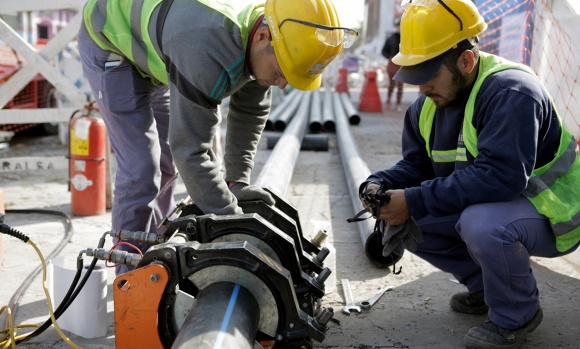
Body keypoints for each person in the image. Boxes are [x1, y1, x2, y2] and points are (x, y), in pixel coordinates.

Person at [358, 0, 580, 348]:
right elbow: (418, 167)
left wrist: (414, 199)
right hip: (507, 205)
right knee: (406, 221)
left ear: (466, 60)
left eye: (429, 75)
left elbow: (503, 178)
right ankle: (487, 288)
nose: (423, 88)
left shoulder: (510, 91)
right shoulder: (427, 107)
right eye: (416, 77)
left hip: (555, 213)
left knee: (482, 223)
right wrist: (380, 183)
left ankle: (516, 316)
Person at [78, 0, 357, 275]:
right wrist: (232, 223)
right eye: (281, 72)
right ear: (263, 37)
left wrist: (236, 182)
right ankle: (130, 276)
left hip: (165, 42)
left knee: (167, 164)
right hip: (111, 39)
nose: (282, 84)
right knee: (141, 167)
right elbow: (190, 149)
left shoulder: (265, 34)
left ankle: (156, 249)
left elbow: (250, 109)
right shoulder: (204, 44)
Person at [380, 17, 404, 112]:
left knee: (400, 86)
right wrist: (389, 57)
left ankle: (398, 104)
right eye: (399, 26)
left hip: (402, 64)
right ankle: (388, 100)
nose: (400, 28)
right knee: (391, 84)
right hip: (392, 63)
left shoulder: (406, 37)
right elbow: (383, 51)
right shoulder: (391, 38)